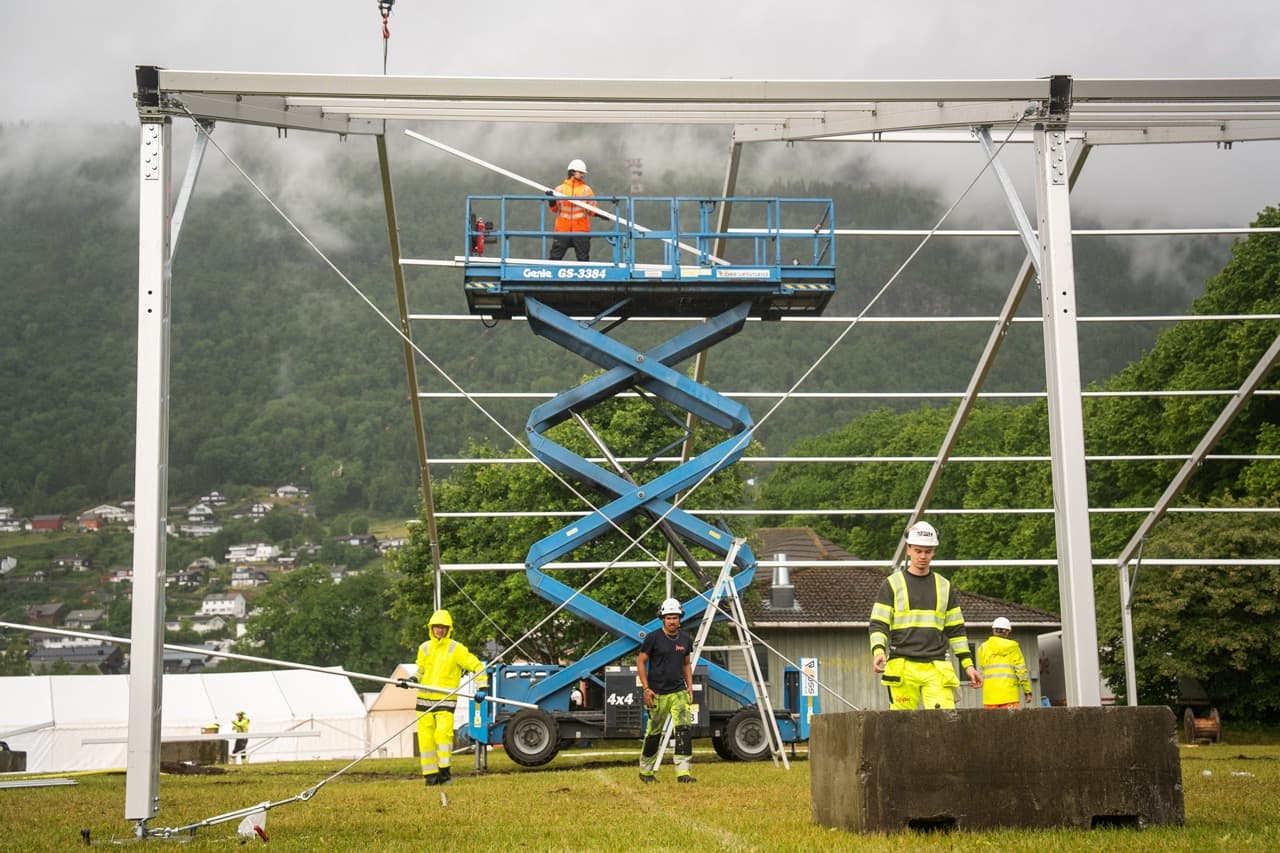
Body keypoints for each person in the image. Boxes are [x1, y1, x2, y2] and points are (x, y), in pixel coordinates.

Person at [869, 521, 983, 710]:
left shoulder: (945, 586)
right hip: (902, 666)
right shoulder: (891, 584)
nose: (923, 556)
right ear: (909, 549)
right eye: (918, 551)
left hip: (936, 666)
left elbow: (956, 630)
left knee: (945, 724)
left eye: (928, 551)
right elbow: (879, 623)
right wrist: (879, 651)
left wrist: (968, 666)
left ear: (934, 552)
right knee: (901, 726)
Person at [398, 608, 488, 787]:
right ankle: (430, 776)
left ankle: (445, 773)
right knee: (426, 739)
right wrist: (411, 680)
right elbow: (421, 671)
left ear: (449, 629)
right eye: (436, 627)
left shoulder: (456, 649)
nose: (439, 630)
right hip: (423, 700)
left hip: (445, 701)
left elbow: (477, 666)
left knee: (443, 735)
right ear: (431, 628)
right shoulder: (424, 648)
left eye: (443, 627)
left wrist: (482, 686)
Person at [636, 597, 696, 784]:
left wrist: (689, 686)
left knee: (683, 729)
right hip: (657, 694)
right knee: (654, 734)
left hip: (678, 692)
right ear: (662, 618)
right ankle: (646, 772)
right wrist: (646, 689)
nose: (672, 621)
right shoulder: (653, 638)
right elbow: (640, 661)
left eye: (675, 617)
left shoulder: (685, 639)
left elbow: (686, 664)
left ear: (680, 619)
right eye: (669, 617)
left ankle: (683, 772)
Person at [546, 159, 597, 262]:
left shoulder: (587, 190)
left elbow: (593, 210)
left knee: (583, 261)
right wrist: (551, 200)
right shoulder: (560, 189)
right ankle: (549, 278)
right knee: (554, 260)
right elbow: (554, 209)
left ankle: (584, 279)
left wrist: (596, 212)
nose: (583, 175)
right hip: (562, 230)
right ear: (573, 172)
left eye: (583, 173)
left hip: (581, 231)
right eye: (581, 172)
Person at [977, 616, 1033, 708]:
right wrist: (1027, 691)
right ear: (1007, 632)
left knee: (991, 722)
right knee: (1010, 722)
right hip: (1010, 696)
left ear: (994, 630)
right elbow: (1021, 671)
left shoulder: (982, 648)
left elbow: (981, 671)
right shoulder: (1014, 647)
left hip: (990, 697)